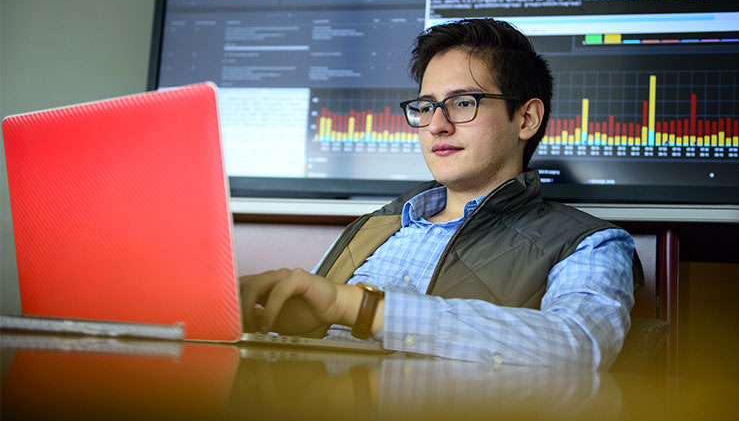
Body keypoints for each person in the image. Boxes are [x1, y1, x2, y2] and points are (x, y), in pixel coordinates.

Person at [240, 18, 641, 369]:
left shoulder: (591, 244)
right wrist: (289, 323)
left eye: (463, 102)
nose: (437, 125)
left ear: (526, 118)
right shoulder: (375, 226)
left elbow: (578, 348)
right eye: (427, 106)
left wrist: (361, 308)